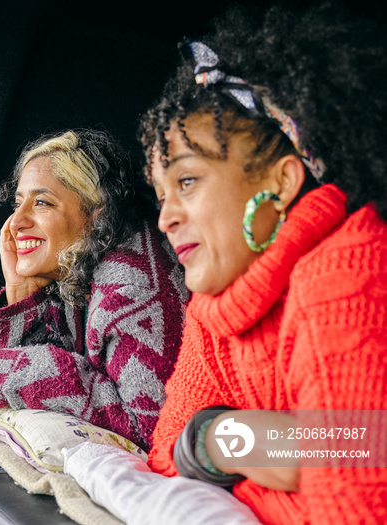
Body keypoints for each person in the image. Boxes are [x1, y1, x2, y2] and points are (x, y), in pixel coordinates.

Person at [137, 3, 387, 524]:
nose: (165, 219)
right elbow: (164, 455)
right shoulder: (214, 308)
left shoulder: (345, 275)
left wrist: (235, 471)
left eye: (186, 182)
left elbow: (352, 510)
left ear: (282, 182)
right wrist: (231, 441)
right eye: (160, 195)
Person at [0, 129, 188, 450]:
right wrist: (22, 292)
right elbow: (14, 381)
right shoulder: (78, 267)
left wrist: (25, 372)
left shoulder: (134, 282)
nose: (16, 221)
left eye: (42, 202)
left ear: (96, 213)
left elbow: (154, 430)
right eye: (18, 203)